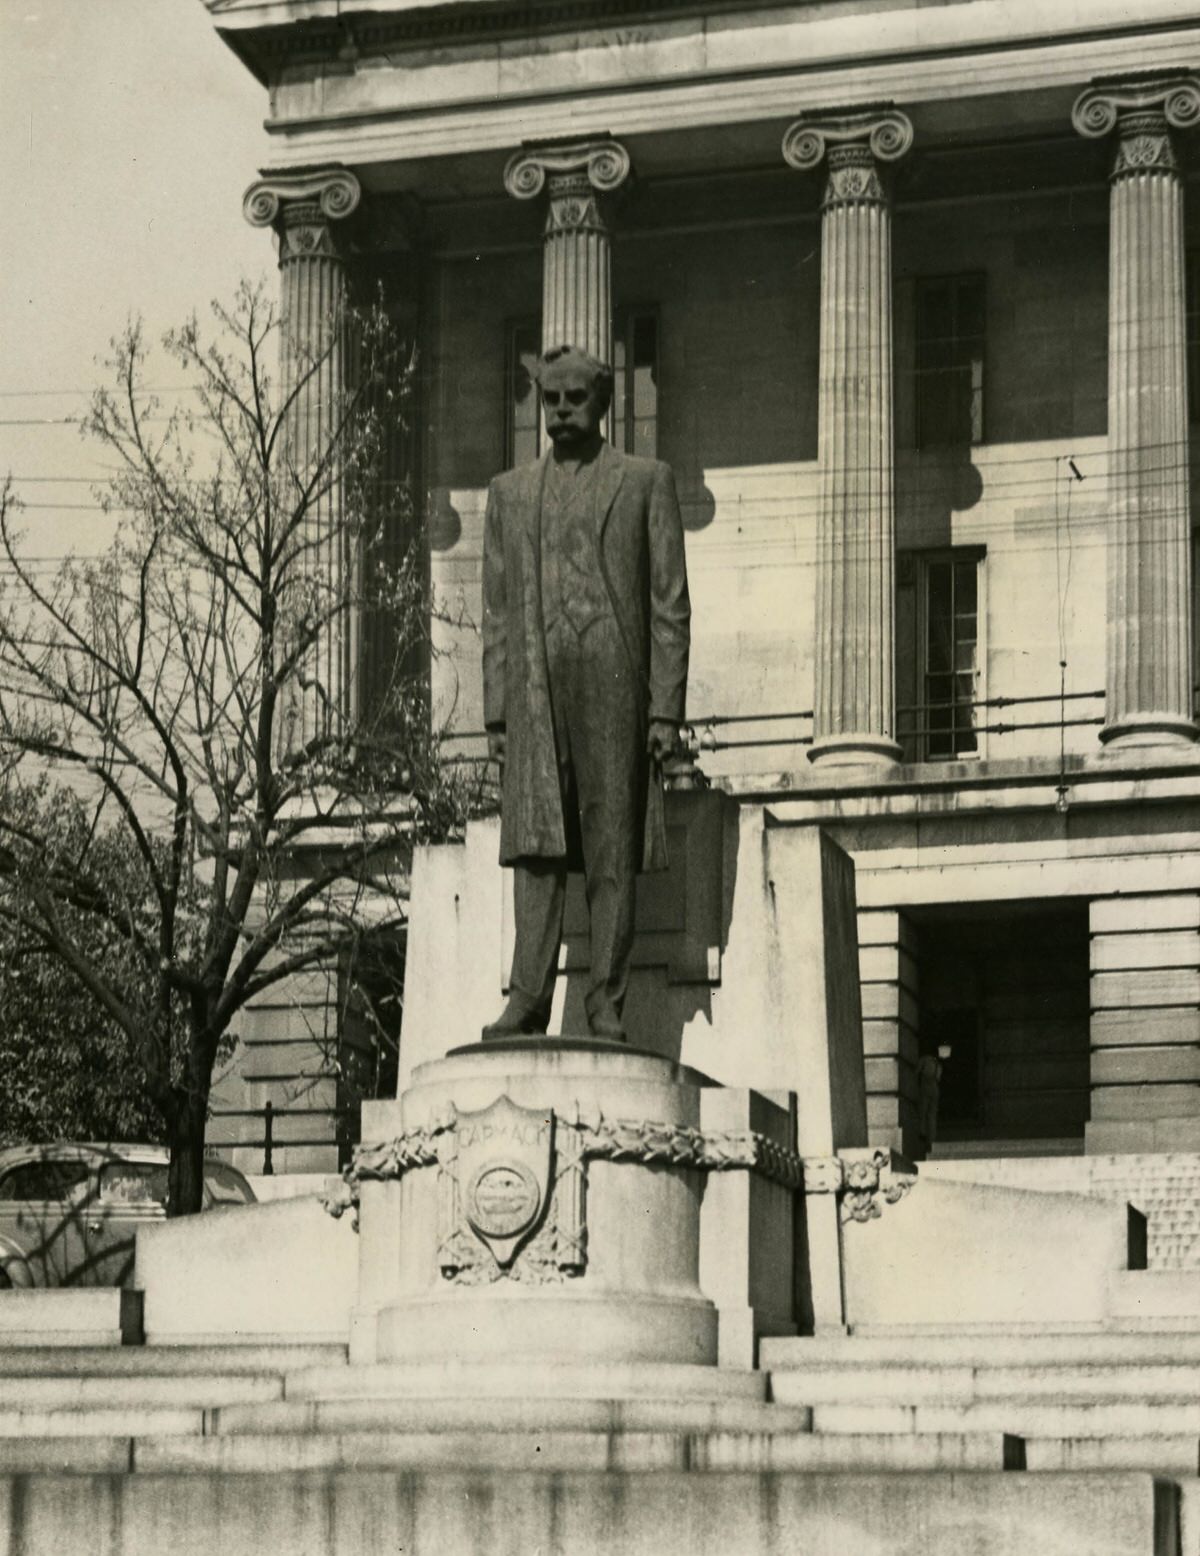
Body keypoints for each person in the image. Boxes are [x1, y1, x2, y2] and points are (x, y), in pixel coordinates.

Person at [481, 343, 691, 1042]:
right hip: (537, 692)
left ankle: (606, 1002)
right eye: (552, 399)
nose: (562, 410)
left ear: (603, 404)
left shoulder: (644, 482)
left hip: (615, 686)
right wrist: (498, 712)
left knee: (610, 845)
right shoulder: (509, 495)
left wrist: (665, 708)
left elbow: (669, 602)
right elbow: (499, 611)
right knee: (537, 849)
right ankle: (527, 1000)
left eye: (576, 398)